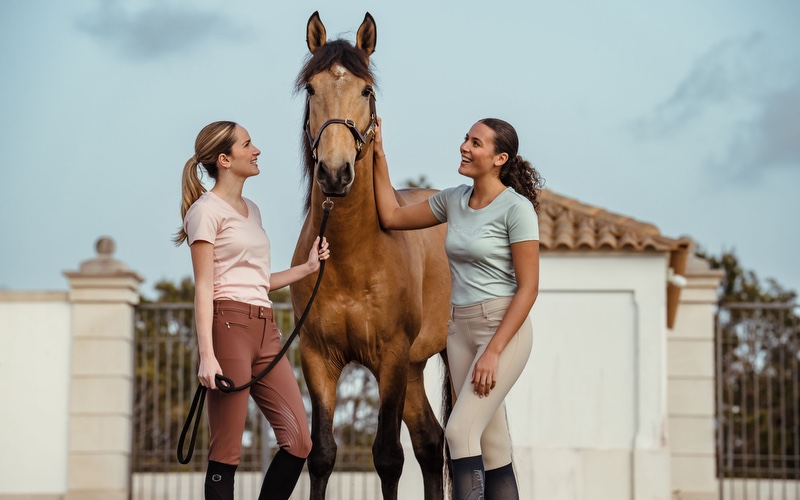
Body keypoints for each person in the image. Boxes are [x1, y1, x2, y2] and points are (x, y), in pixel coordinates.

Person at [372, 116, 542, 500]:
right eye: (466, 139)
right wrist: (379, 154)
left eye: (476, 143)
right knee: (494, 446)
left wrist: (494, 351)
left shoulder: (516, 210)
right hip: (459, 330)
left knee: (458, 433)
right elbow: (392, 216)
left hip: (502, 329)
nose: (465, 146)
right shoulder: (453, 200)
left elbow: (528, 288)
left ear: (500, 158)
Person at [174, 121, 329, 500]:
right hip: (228, 326)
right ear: (225, 160)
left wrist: (306, 269)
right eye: (248, 144)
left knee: (299, 442)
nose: (256, 150)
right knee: (227, 449)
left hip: (265, 327)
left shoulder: (252, 210)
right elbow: (205, 287)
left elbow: (257, 280)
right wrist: (207, 356)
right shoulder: (205, 211)